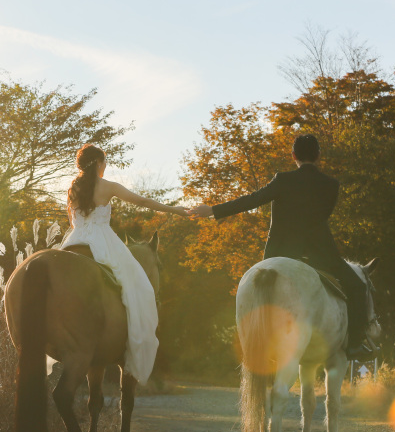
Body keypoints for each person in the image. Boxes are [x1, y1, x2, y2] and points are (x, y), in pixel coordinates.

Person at [189, 134, 374, 360]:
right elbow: (323, 215)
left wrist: (213, 210)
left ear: (293, 155)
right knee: (357, 285)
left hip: (281, 252)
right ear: (318, 156)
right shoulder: (331, 185)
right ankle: (355, 345)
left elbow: (253, 199)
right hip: (321, 254)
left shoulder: (282, 180)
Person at [60, 143, 189, 384]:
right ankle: (132, 346)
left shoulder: (73, 188)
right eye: (104, 162)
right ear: (98, 163)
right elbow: (143, 202)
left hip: (74, 239)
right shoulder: (108, 186)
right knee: (139, 287)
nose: (105, 167)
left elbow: (73, 220)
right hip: (103, 241)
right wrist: (175, 210)